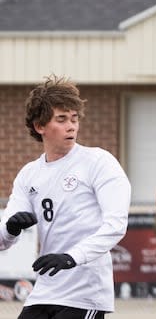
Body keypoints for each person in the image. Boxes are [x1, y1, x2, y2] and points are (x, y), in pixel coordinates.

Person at [0, 74, 131, 319]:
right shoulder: (29, 174)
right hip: (45, 290)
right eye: (61, 119)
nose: (71, 126)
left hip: (85, 293)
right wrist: (11, 228)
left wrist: (72, 257)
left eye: (74, 118)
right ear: (40, 126)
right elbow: (2, 241)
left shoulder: (98, 162)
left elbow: (115, 226)